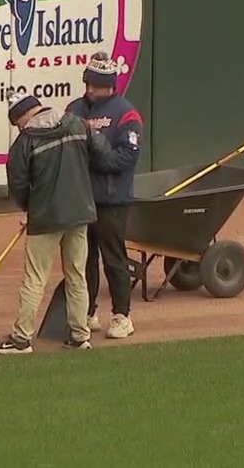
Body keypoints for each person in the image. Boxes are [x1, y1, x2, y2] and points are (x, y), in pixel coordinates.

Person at [0, 90, 111, 354]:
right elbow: (100, 152)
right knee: (77, 276)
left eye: (17, 123)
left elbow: (18, 186)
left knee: (34, 279)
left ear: (23, 116)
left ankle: (21, 339)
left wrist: (31, 209)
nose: (19, 128)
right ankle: (80, 336)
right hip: (80, 213)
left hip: (45, 219)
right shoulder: (77, 123)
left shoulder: (24, 144)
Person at [66, 52, 144, 340]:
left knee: (114, 259)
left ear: (110, 85)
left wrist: (94, 156)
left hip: (112, 202)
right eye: (88, 84)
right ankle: (86, 313)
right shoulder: (74, 109)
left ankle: (122, 316)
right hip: (81, 199)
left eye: (96, 85)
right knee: (82, 260)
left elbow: (125, 159)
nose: (90, 90)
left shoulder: (126, 113)